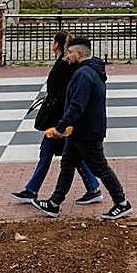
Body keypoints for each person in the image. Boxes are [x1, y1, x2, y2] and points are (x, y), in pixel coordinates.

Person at [32, 36, 132, 220]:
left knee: (100, 168)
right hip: (80, 131)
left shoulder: (83, 75)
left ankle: (122, 203)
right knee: (67, 164)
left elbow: (77, 106)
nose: (67, 56)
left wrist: (60, 127)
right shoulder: (88, 71)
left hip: (87, 131)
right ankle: (54, 203)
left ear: (79, 54)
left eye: (70, 53)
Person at [11, 31, 102, 205]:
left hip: (59, 120)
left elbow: (62, 94)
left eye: (53, 41)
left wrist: (62, 123)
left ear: (56, 45)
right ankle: (92, 188)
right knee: (69, 156)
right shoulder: (65, 65)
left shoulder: (63, 66)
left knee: (61, 155)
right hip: (61, 119)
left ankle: (37, 192)